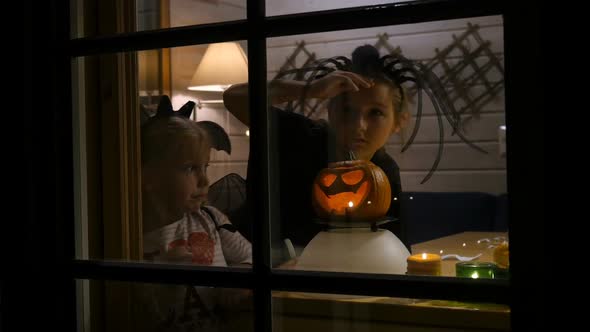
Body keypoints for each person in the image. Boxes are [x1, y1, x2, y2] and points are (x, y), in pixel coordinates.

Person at [224, 45, 418, 252]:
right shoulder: (299, 135)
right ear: (330, 109)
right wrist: (311, 89)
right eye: (346, 109)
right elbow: (236, 98)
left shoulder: (385, 169)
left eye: (375, 113)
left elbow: (398, 247)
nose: (358, 125)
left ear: (399, 121)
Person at [136, 95, 252, 332]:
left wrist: (236, 283)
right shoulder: (131, 237)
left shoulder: (211, 219)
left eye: (205, 167)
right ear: (149, 177)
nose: (204, 180)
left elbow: (249, 258)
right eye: (189, 168)